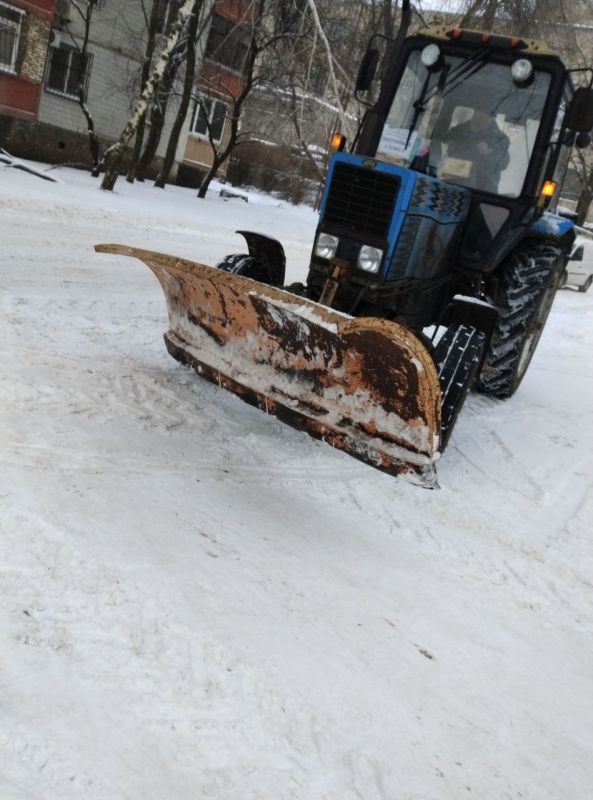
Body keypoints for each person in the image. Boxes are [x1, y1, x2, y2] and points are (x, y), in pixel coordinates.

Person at [442, 109, 510, 193]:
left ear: (492, 118)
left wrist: (488, 153)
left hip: (483, 189)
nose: (479, 117)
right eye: (477, 113)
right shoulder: (458, 130)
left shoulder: (500, 138)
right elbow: (441, 148)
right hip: (452, 183)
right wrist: (448, 145)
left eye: (483, 115)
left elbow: (503, 163)